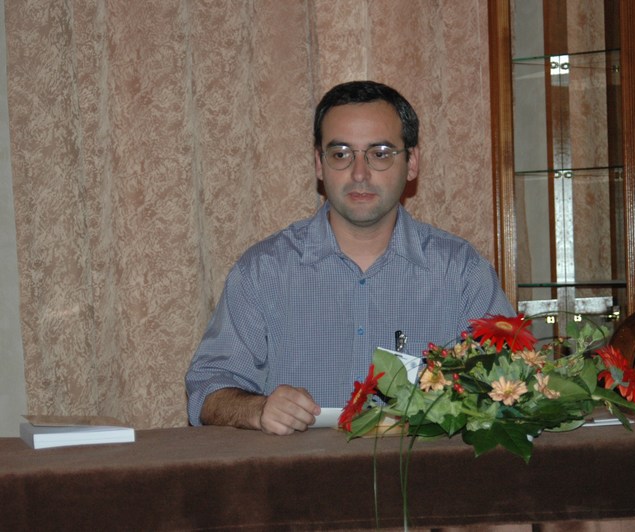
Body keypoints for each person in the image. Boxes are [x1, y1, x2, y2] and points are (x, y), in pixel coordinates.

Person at [185, 80, 514, 435]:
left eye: (380, 153)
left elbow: (514, 385)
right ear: (319, 164)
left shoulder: (461, 272)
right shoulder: (264, 271)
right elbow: (207, 390)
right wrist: (258, 409)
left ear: (412, 162)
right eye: (341, 154)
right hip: (300, 468)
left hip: (421, 469)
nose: (359, 174)